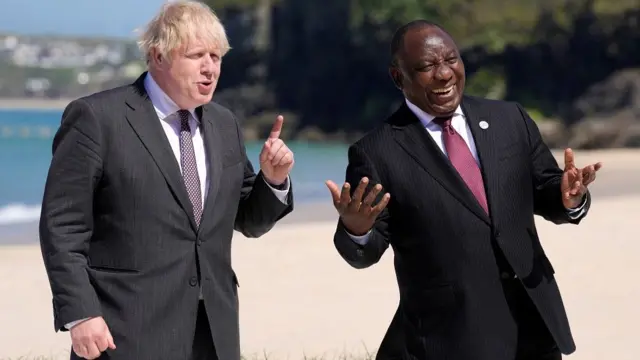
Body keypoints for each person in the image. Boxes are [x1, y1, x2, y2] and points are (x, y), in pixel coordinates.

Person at [326, 20, 602, 360]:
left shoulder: (509, 119)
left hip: (534, 323)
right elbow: (364, 252)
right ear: (399, 77)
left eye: (451, 60)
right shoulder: (376, 152)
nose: (444, 74)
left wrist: (569, 198)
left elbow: (547, 189)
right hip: (451, 336)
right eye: (426, 66)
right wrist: (357, 229)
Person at [38, 2, 294, 359]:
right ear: (158, 56)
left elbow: (248, 219)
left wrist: (273, 179)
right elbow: (62, 226)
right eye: (196, 55)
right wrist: (80, 313)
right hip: (125, 332)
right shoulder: (97, 119)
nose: (210, 68)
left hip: (213, 332)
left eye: (216, 56)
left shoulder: (224, 124)